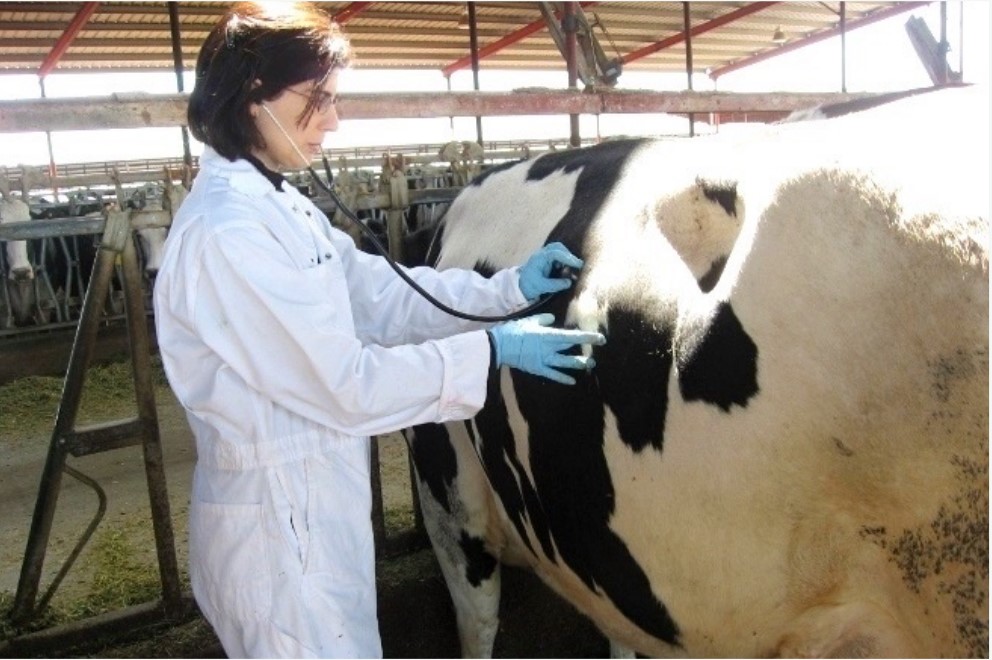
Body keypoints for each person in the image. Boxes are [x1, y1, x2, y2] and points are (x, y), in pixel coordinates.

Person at [152, 3, 606, 658]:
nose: (333, 120)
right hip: (280, 545)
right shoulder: (229, 233)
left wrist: (508, 289)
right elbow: (346, 386)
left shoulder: (282, 208)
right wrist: (490, 350)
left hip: (312, 522)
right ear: (253, 96)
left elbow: (386, 296)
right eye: (316, 98)